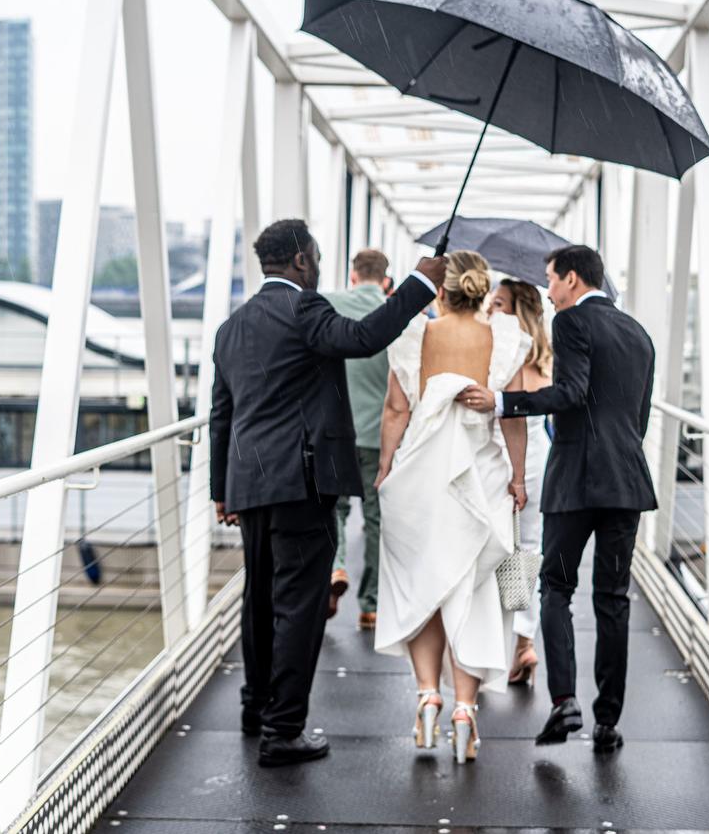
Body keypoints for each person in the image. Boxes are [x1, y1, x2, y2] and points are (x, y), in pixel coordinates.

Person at [209, 218, 446, 768]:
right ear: (299, 261)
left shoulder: (232, 326)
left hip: (251, 483)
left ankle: (256, 708)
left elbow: (223, 414)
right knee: (299, 605)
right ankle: (283, 730)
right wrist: (419, 284)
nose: (317, 266)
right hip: (302, 480)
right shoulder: (305, 310)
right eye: (314, 256)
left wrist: (222, 488)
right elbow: (362, 340)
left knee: (260, 600)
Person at [457, 245, 656, 755]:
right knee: (612, 600)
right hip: (626, 483)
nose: (548, 289)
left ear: (572, 278)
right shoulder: (639, 334)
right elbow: (638, 417)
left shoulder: (569, 323)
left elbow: (571, 393)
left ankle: (564, 700)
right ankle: (608, 721)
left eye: (551, 279)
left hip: (574, 483)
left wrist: (503, 401)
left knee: (556, 588)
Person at [375, 250, 531, 764]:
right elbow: (511, 416)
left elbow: (397, 409)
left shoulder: (414, 335)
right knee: (474, 588)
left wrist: (384, 467)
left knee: (423, 581)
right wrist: (519, 475)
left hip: (421, 469)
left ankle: (427, 696)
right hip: (480, 471)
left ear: (439, 289)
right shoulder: (502, 338)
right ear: (483, 290)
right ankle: (465, 709)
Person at [324, 248, 394, 630]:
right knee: (375, 520)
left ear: (353, 276)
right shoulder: (396, 312)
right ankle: (371, 604)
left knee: (333, 509)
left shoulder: (330, 305)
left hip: (336, 430)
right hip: (377, 434)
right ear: (385, 280)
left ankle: (334, 568)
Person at [488, 278, 553, 685]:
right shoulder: (546, 356)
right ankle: (523, 644)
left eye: (498, 303)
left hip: (503, 452)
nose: (492, 310)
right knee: (529, 548)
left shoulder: (506, 352)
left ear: (515, 310)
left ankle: (493, 641)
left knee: (494, 546)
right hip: (538, 457)